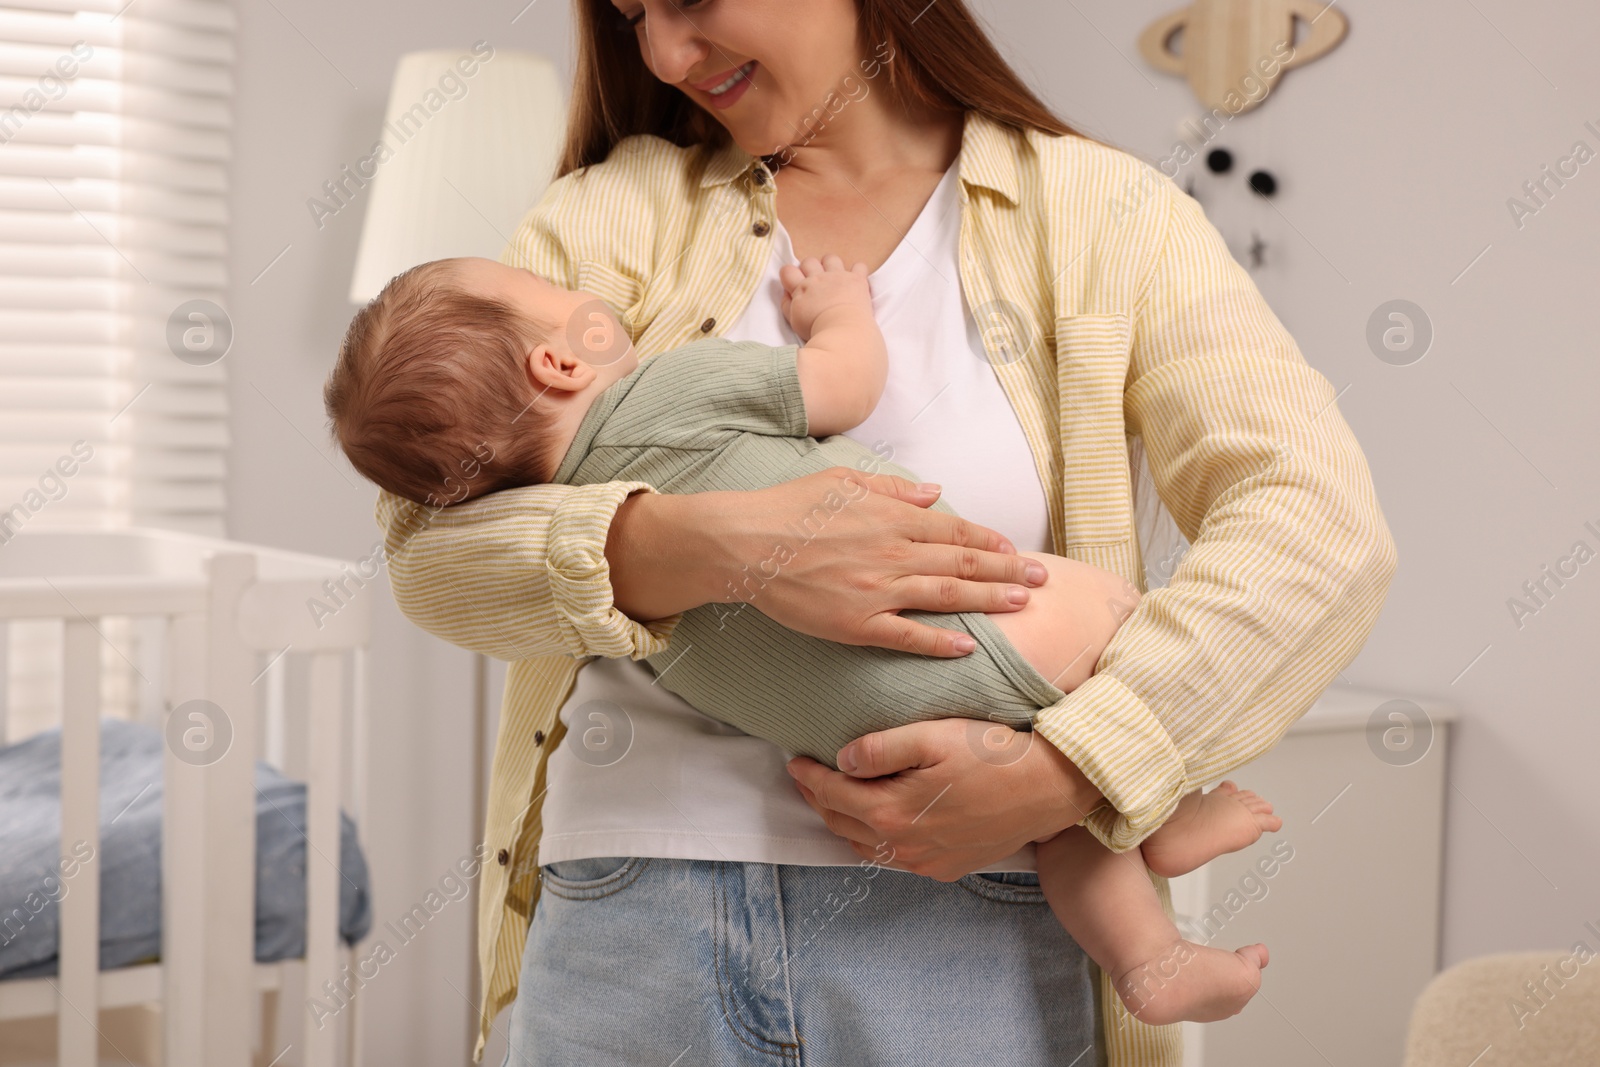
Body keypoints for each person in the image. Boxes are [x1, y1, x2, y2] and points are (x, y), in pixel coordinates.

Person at [368, 1, 1397, 1063]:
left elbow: (1318, 524)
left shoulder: (1104, 218)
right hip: (634, 913)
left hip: (974, 911)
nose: (666, 55)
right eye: (633, 16)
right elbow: (427, 551)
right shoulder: (608, 220)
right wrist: (725, 546)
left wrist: (1075, 771)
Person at [327, 251, 1289, 1024]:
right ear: (560, 358)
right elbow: (844, 385)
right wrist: (839, 308)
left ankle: (1148, 953)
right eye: (549, 290)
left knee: (1042, 804)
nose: (579, 283)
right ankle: (1157, 810)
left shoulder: (567, 536)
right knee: (1118, 612)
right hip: (964, 643)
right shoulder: (676, 384)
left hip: (853, 746)